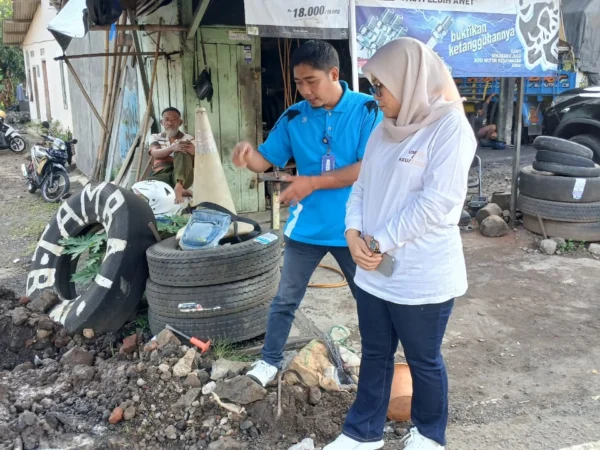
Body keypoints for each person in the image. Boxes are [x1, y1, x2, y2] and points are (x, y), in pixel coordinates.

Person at [324, 38, 477, 450]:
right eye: (372, 87)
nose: (376, 97)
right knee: (375, 354)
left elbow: (438, 203)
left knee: (423, 360)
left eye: (381, 87)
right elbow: (361, 188)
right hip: (375, 269)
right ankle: (363, 433)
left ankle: (429, 434)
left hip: (421, 274)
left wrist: (378, 241)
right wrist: (353, 234)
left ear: (409, 82)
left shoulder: (450, 128)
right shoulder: (383, 131)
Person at [231, 40, 383, 387]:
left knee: (370, 300)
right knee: (285, 300)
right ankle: (269, 361)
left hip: (355, 228)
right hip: (306, 229)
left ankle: (379, 364)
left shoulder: (367, 110)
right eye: (299, 82)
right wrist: (248, 155)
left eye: (311, 81)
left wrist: (311, 182)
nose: (305, 90)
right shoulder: (294, 116)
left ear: (334, 74)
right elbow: (267, 161)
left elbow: (366, 168)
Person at [148, 107, 195, 203]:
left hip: (184, 176)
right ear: (161, 122)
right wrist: (172, 148)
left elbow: (198, 159)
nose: (170, 123)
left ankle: (179, 186)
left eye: (174, 120)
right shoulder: (155, 137)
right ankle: (185, 192)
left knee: (182, 148)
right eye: (167, 119)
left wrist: (194, 152)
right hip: (162, 172)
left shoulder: (188, 138)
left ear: (180, 122)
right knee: (148, 188)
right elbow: (155, 153)